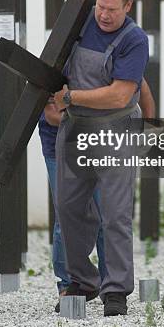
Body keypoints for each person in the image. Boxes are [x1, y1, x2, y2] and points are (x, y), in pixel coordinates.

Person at [53, 0, 152, 317]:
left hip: (115, 130)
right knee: (68, 207)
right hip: (75, 129)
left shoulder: (135, 39)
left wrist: (69, 97)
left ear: (128, 6)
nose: (104, 15)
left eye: (112, 9)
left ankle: (117, 290)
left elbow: (121, 93)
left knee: (115, 214)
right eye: (100, 7)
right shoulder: (79, 25)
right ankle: (83, 280)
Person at [38, 103, 107, 306]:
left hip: (101, 145)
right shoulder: (53, 73)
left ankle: (111, 286)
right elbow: (52, 115)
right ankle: (69, 284)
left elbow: (137, 88)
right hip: (61, 146)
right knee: (66, 217)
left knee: (107, 215)